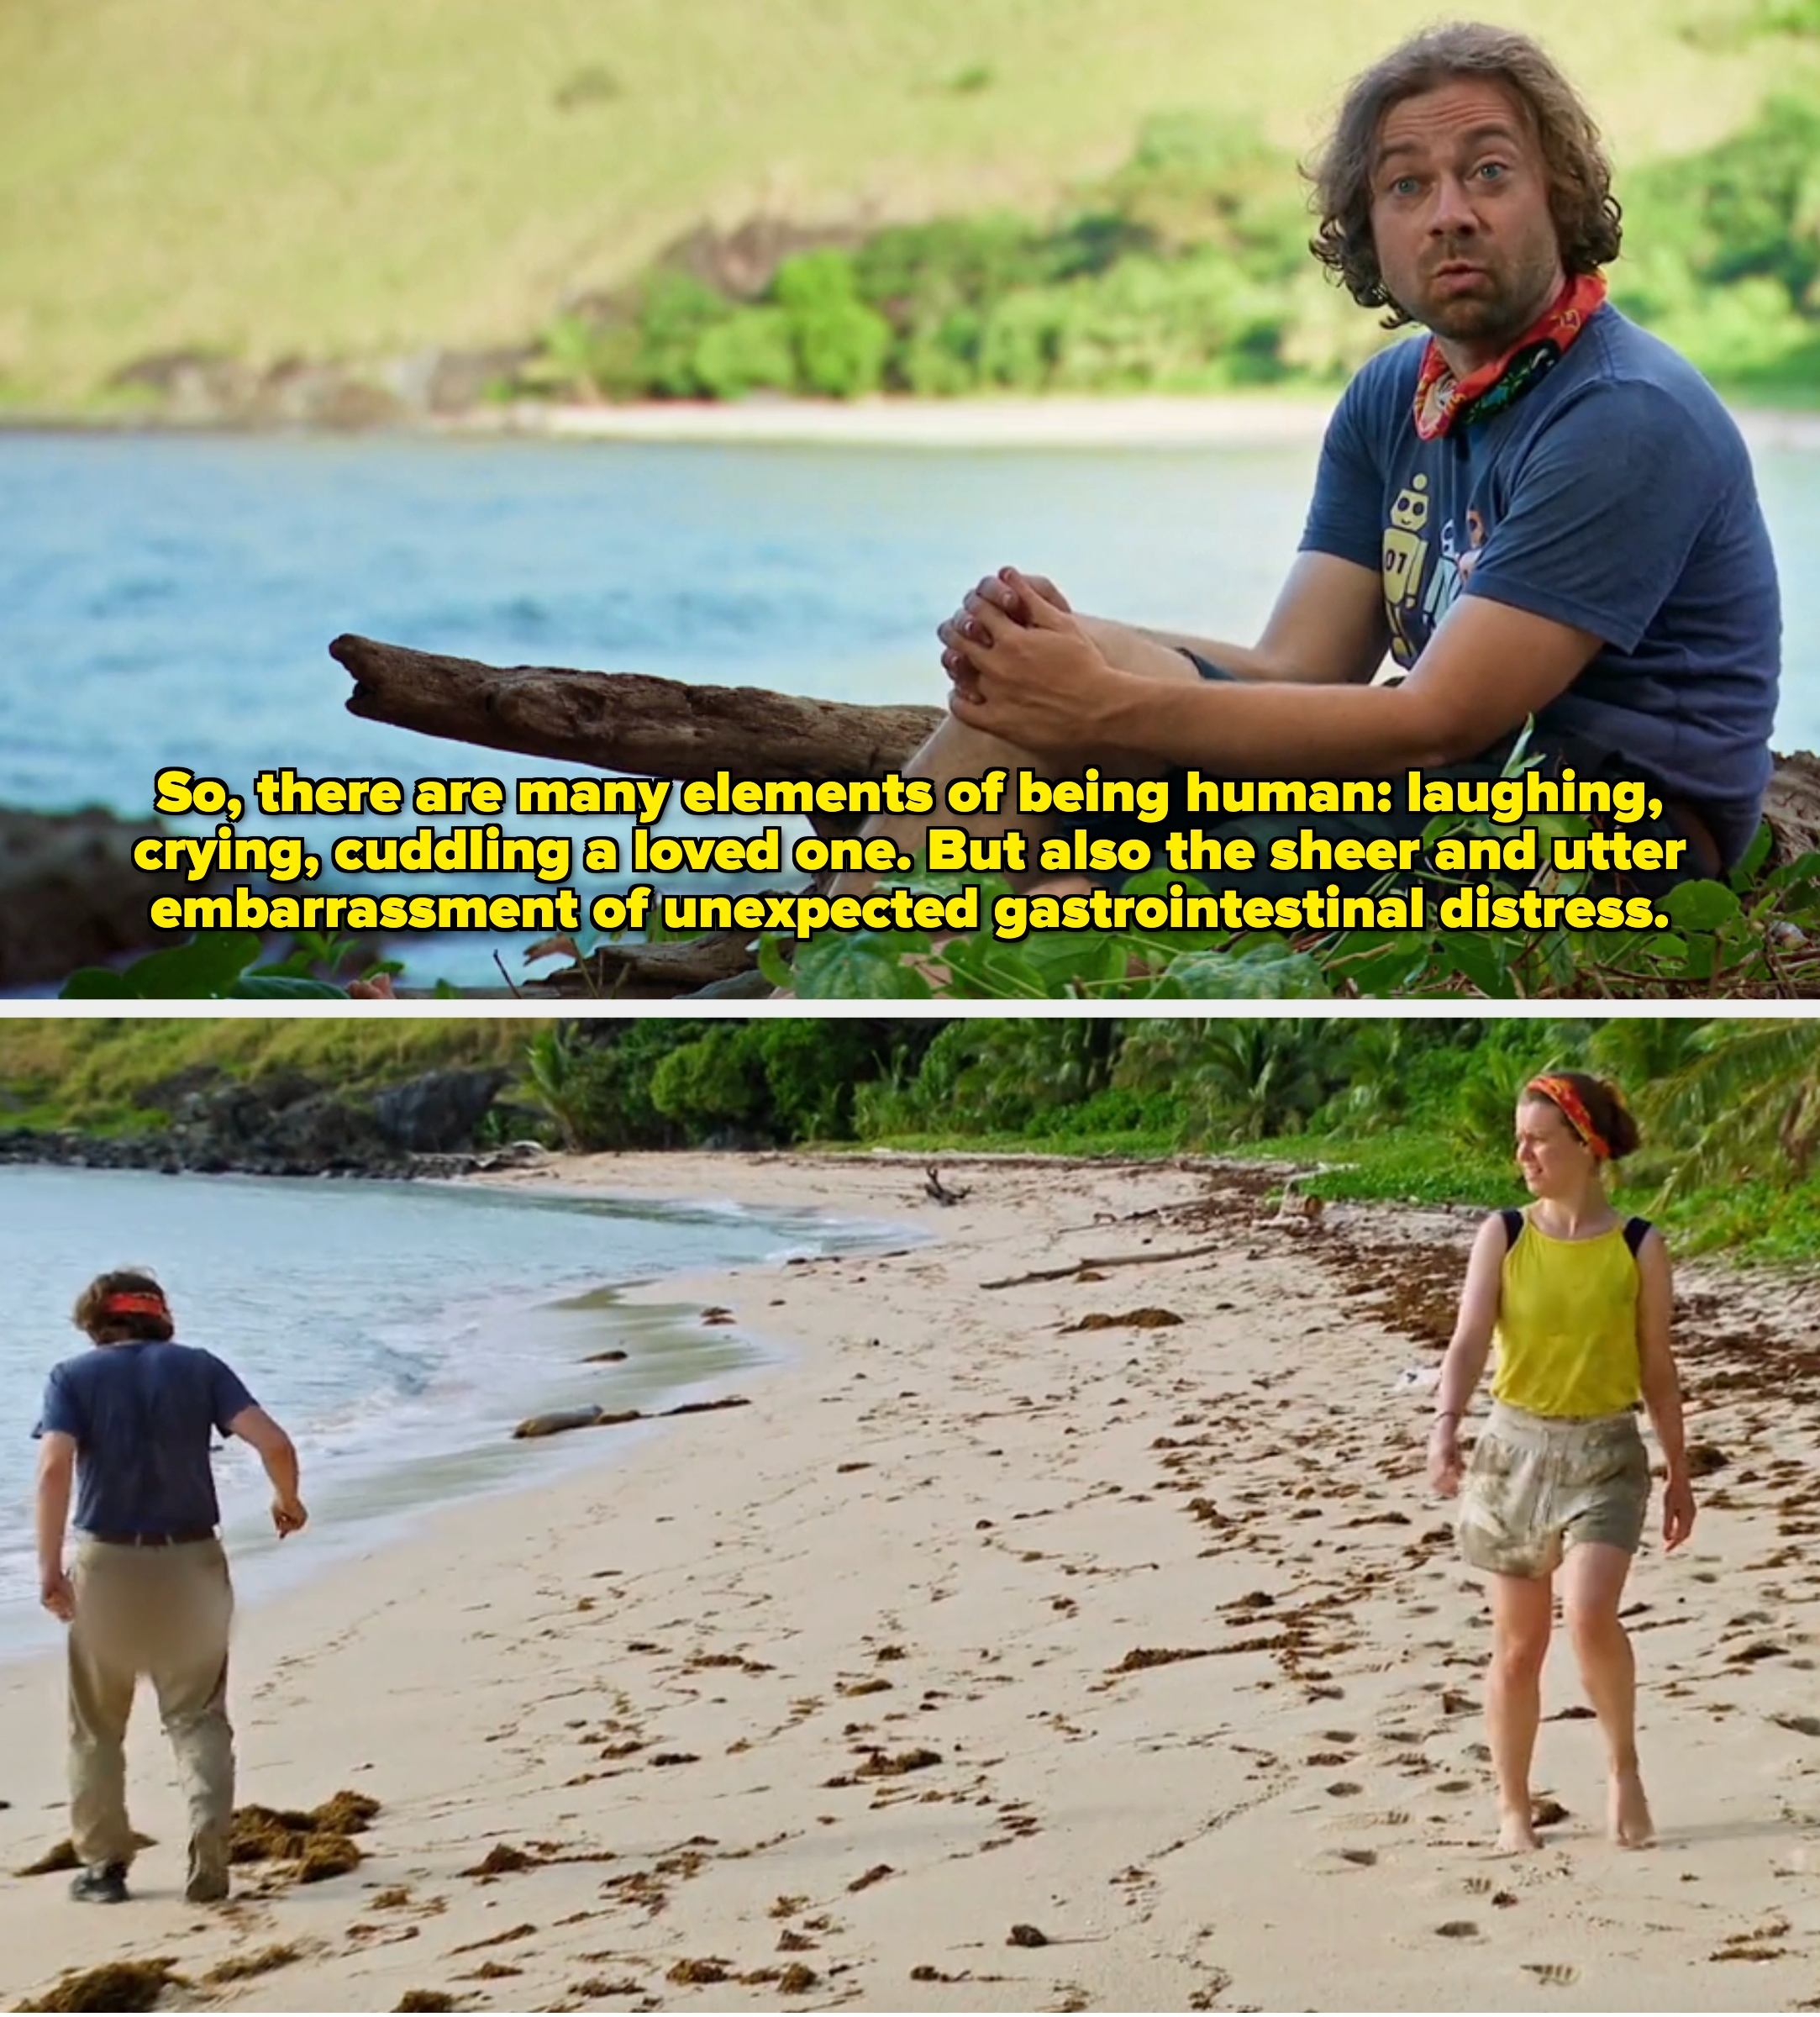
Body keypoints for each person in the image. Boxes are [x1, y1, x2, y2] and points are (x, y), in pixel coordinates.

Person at [844, 22, 1780, 910]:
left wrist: (1104, 711)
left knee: (1069, 901)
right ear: (1369, 232)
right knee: (1044, 690)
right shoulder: (1390, 398)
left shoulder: (1621, 415)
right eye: (1407, 187)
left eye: (1489, 173)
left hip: (1603, 837)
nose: (1449, 215)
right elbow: (1298, 667)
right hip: (1440, 794)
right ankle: (822, 955)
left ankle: (875, 961)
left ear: (1559, 198)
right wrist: (1060, 645)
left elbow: (1439, 719)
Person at [1428, 1072, 1694, 1853]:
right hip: (1512, 1454)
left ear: (1586, 1146)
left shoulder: (1638, 1245)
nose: (1523, 1154)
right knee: (1517, 1647)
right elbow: (1470, 1341)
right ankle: (1513, 1806)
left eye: (1539, 1140)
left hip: (1606, 1454)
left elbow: (1657, 1367)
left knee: (1588, 1615)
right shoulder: (1503, 1235)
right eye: (1520, 1140)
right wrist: (1445, 1426)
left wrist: (1678, 1470)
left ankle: (1623, 1767)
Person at [33, 1269, 308, 1906]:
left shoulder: (71, 1378)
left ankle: (104, 1869)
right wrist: (287, 1501)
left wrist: (48, 1568)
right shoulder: (201, 1369)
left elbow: (53, 1469)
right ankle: (208, 1846)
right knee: (197, 1716)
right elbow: (274, 1443)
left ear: (95, 1322)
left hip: (109, 1565)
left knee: (97, 1725)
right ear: (161, 1318)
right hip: (193, 1560)